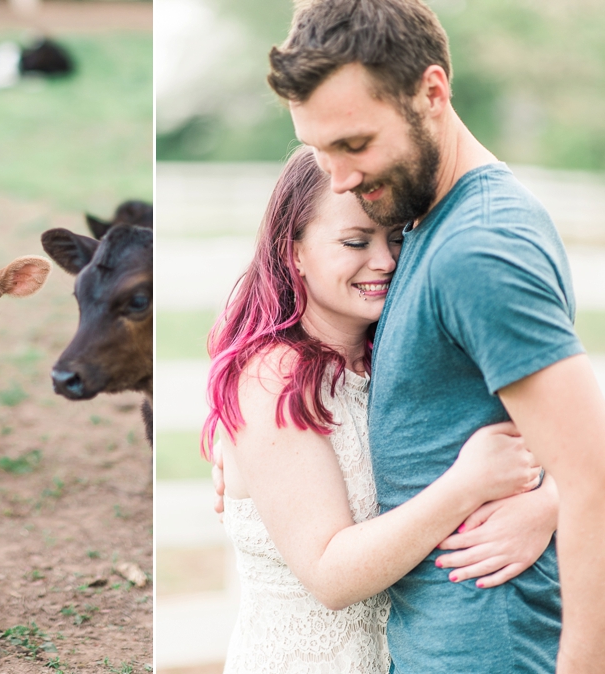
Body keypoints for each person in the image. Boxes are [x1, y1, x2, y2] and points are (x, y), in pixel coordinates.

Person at [215, 0, 605, 672]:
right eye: (321, 150)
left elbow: (585, 461)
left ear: (432, 92)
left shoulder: (472, 247)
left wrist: (551, 499)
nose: (342, 179)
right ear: (292, 251)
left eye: (355, 144)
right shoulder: (423, 220)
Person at [205, 145, 554, 674]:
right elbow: (331, 575)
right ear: (292, 249)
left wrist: (548, 502)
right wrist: (467, 484)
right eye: (354, 242)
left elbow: (552, 441)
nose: (386, 261)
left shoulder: (389, 361)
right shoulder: (273, 378)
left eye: (397, 238)